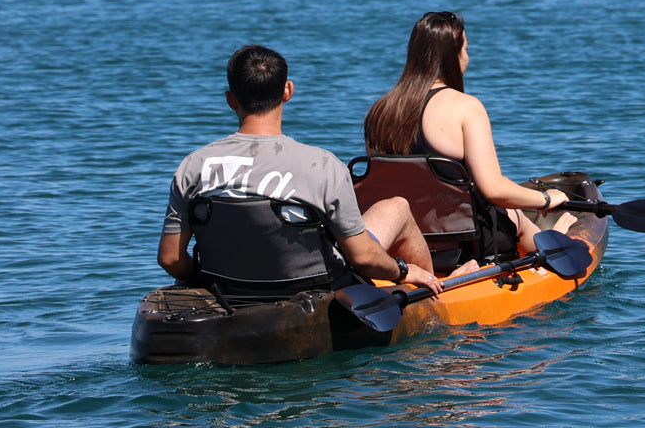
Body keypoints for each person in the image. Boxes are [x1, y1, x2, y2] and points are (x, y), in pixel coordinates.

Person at [158, 44, 442, 296]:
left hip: (227, 289)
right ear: (288, 91)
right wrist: (403, 270)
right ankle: (431, 293)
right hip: (312, 289)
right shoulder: (321, 165)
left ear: (231, 99)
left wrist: (209, 279)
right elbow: (363, 258)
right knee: (397, 208)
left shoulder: (193, 166)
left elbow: (171, 258)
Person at [362, 11, 573, 259]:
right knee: (516, 218)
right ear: (453, 56)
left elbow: (386, 185)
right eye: (465, 49)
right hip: (463, 247)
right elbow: (494, 190)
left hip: (405, 242)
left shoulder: (379, 111)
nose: (467, 57)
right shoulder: (465, 107)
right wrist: (546, 199)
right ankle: (555, 248)